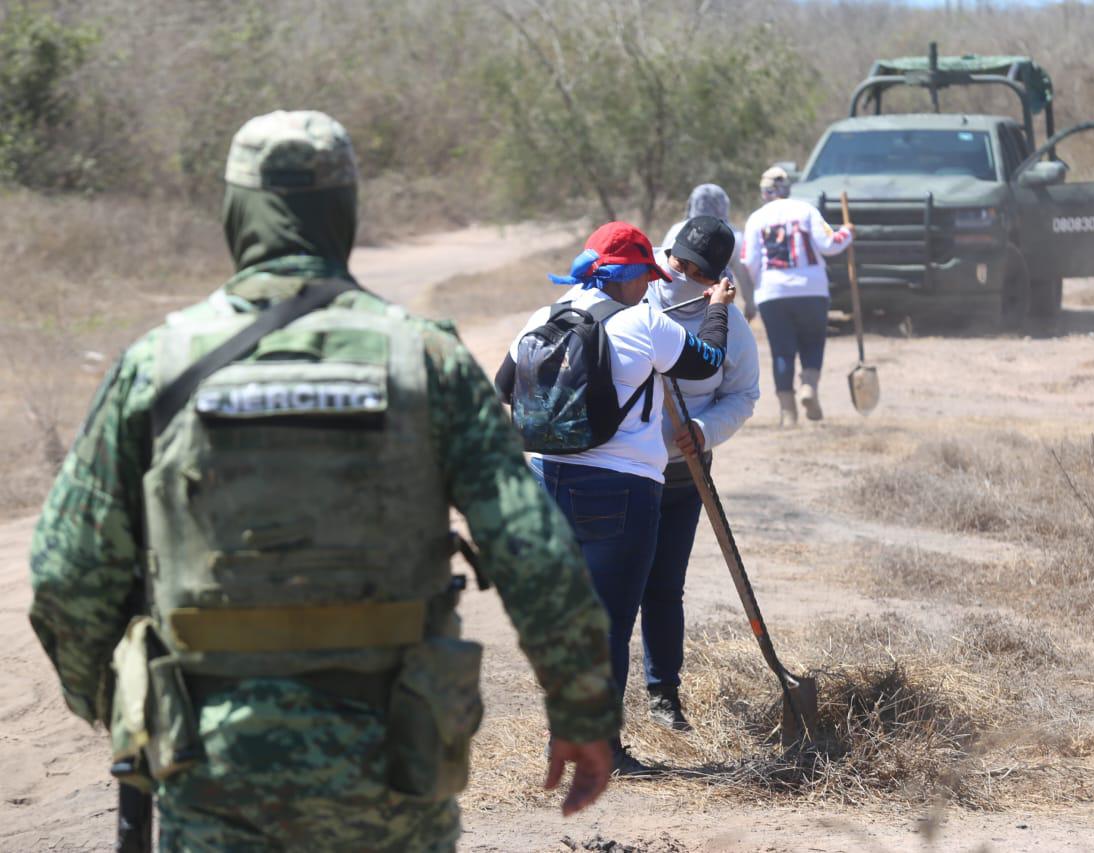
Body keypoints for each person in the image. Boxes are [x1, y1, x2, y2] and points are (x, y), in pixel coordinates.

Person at [28, 110, 619, 851]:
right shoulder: (424, 360)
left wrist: (122, 703)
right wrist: (581, 708)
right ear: (344, 211)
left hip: (211, 764)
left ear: (235, 210)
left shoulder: (157, 363)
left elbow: (66, 572)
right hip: (394, 763)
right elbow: (534, 549)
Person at [494, 221, 734, 775]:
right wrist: (717, 306)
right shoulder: (642, 322)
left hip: (544, 483)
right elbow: (707, 360)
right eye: (643, 277)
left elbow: (505, 387)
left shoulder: (543, 315)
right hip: (619, 489)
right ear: (627, 278)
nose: (648, 286)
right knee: (608, 623)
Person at [641, 216, 759, 730]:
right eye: (678, 263)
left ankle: (663, 694)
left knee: (665, 586)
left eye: (696, 271)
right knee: (611, 586)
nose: (682, 273)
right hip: (624, 473)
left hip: (686, 475)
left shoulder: (730, 324)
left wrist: (705, 429)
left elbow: (743, 394)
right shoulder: (637, 300)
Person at [742, 166, 852, 426]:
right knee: (813, 342)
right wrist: (848, 232)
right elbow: (830, 244)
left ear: (764, 191)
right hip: (811, 289)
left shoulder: (756, 219)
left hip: (772, 291)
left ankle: (788, 413)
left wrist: (755, 290)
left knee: (782, 351)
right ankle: (809, 388)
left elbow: (748, 262)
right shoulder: (806, 210)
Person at [661, 184, 757, 322]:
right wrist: (750, 304)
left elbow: (660, 264)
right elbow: (743, 275)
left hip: (670, 302)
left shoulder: (678, 229)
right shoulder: (731, 235)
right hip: (715, 304)